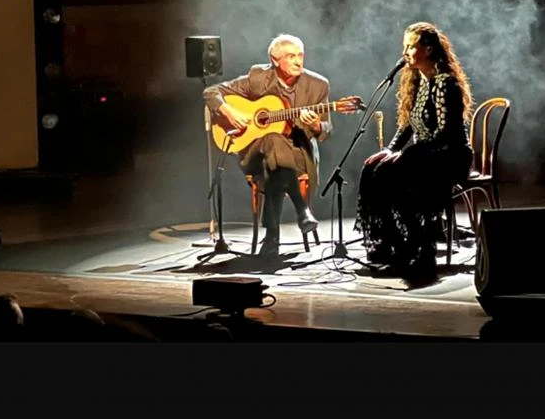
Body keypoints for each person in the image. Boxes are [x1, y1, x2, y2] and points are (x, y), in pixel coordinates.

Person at [354, 22, 474, 283]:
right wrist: (390, 150)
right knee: (374, 169)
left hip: (450, 156)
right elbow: (409, 124)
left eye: (411, 46)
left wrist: (407, 155)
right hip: (426, 153)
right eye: (404, 46)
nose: (405, 52)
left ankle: (419, 250)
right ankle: (395, 246)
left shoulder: (445, 84)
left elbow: (447, 135)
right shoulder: (420, 80)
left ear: (429, 50)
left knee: (395, 176)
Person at [203, 34, 332, 256]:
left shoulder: (318, 85)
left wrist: (318, 126)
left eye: (300, 55)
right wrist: (229, 111)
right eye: (291, 56)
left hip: (299, 154)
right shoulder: (257, 78)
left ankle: (272, 237)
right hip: (256, 153)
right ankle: (303, 211)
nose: (298, 61)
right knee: (272, 141)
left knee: (276, 158)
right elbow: (211, 91)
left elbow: (327, 129)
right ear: (274, 59)